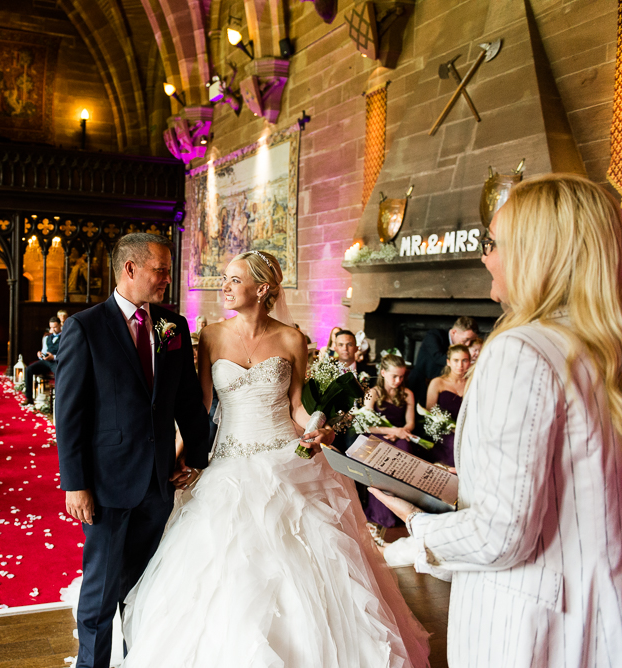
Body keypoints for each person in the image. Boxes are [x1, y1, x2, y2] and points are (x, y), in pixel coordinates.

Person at [119, 249, 429, 668]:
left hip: (288, 460)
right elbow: (202, 406)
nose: (224, 287)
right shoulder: (211, 335)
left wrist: (318, 426)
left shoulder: (291, 338)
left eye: (233, 280)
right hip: (229, 463)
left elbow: (297, 405)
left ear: (261, 289)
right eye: (225, 279)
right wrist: (179, 458)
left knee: (308, 566)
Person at [371, 174, 622, 668]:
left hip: (531, 622)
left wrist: (416, 523)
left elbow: (501, 535)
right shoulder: (601, 345)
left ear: (537, 253)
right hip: (599, 607)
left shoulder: (521, 349)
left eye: (494, 243)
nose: (485, 256)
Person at [55, 233, 213, 668]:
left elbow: (185, 402)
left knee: (143, 588)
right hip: (106, 484)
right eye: (160, 270)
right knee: (101, 593)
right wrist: (76, 484)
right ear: (130, 269)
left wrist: (197, 458)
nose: (167, 279)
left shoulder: (172, 327)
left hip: (158, 482)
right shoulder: (85, 327)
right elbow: (68, 414)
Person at [359, 353, 420, 528]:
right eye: (394, 376)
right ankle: (382, 513)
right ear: (383, 372)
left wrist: (401, 432)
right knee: (381, 457)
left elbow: (410, 423)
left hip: (401, 435)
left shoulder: (407, 394)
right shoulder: (373, 393)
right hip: (377, 436)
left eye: (401, 376)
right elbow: (366, 425)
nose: (398, 381)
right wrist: (391, 431)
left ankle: (405, 511)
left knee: (405, 450)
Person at [408, 316, 478, 404]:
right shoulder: (434, 335)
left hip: (445, 389)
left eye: (471, 341)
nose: (468, 344)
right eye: (466, 339)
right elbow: (437, 357)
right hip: (420, 384)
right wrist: (467, 363)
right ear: (454, 332)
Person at [424, 344, 470, 467]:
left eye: (464, 360)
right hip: (443, 432)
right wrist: (448, 426)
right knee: (454, 444)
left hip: (467, 430)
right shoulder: (438, 383)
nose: (460, 365)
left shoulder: (473, 383)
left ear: (469, 362)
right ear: (448, 362)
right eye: (456, 360)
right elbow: (429, 412)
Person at [21, 316, 61, 407]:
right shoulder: (47, 338)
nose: (53, 330)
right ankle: (29, 398)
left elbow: (65, 353)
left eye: (55, 327)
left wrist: (54, 357)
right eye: (51, 327)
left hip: (56, 361)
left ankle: (59, 399)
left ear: (60, 326)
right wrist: (40, 354)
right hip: (46, 361)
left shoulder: (64, 337)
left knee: (58, 372)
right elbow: (44, 351)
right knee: (29, 369)